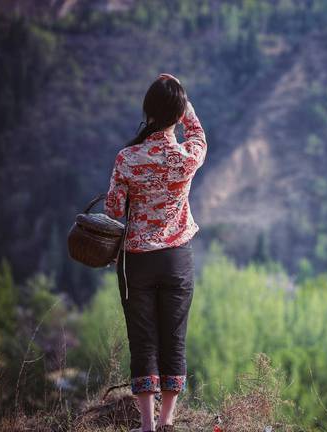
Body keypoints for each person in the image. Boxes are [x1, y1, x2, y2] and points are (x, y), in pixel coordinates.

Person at [103, 73, 207, 432]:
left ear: (147, 110)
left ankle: (146, 426)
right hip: (177, 258)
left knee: (143, 340)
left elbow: (114, 208)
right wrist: (186, 105)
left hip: (137, 261)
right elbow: (199, 136)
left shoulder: (127, 157)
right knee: (174, 338)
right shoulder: (186, 157)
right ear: (177, 115)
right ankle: (167, 422)